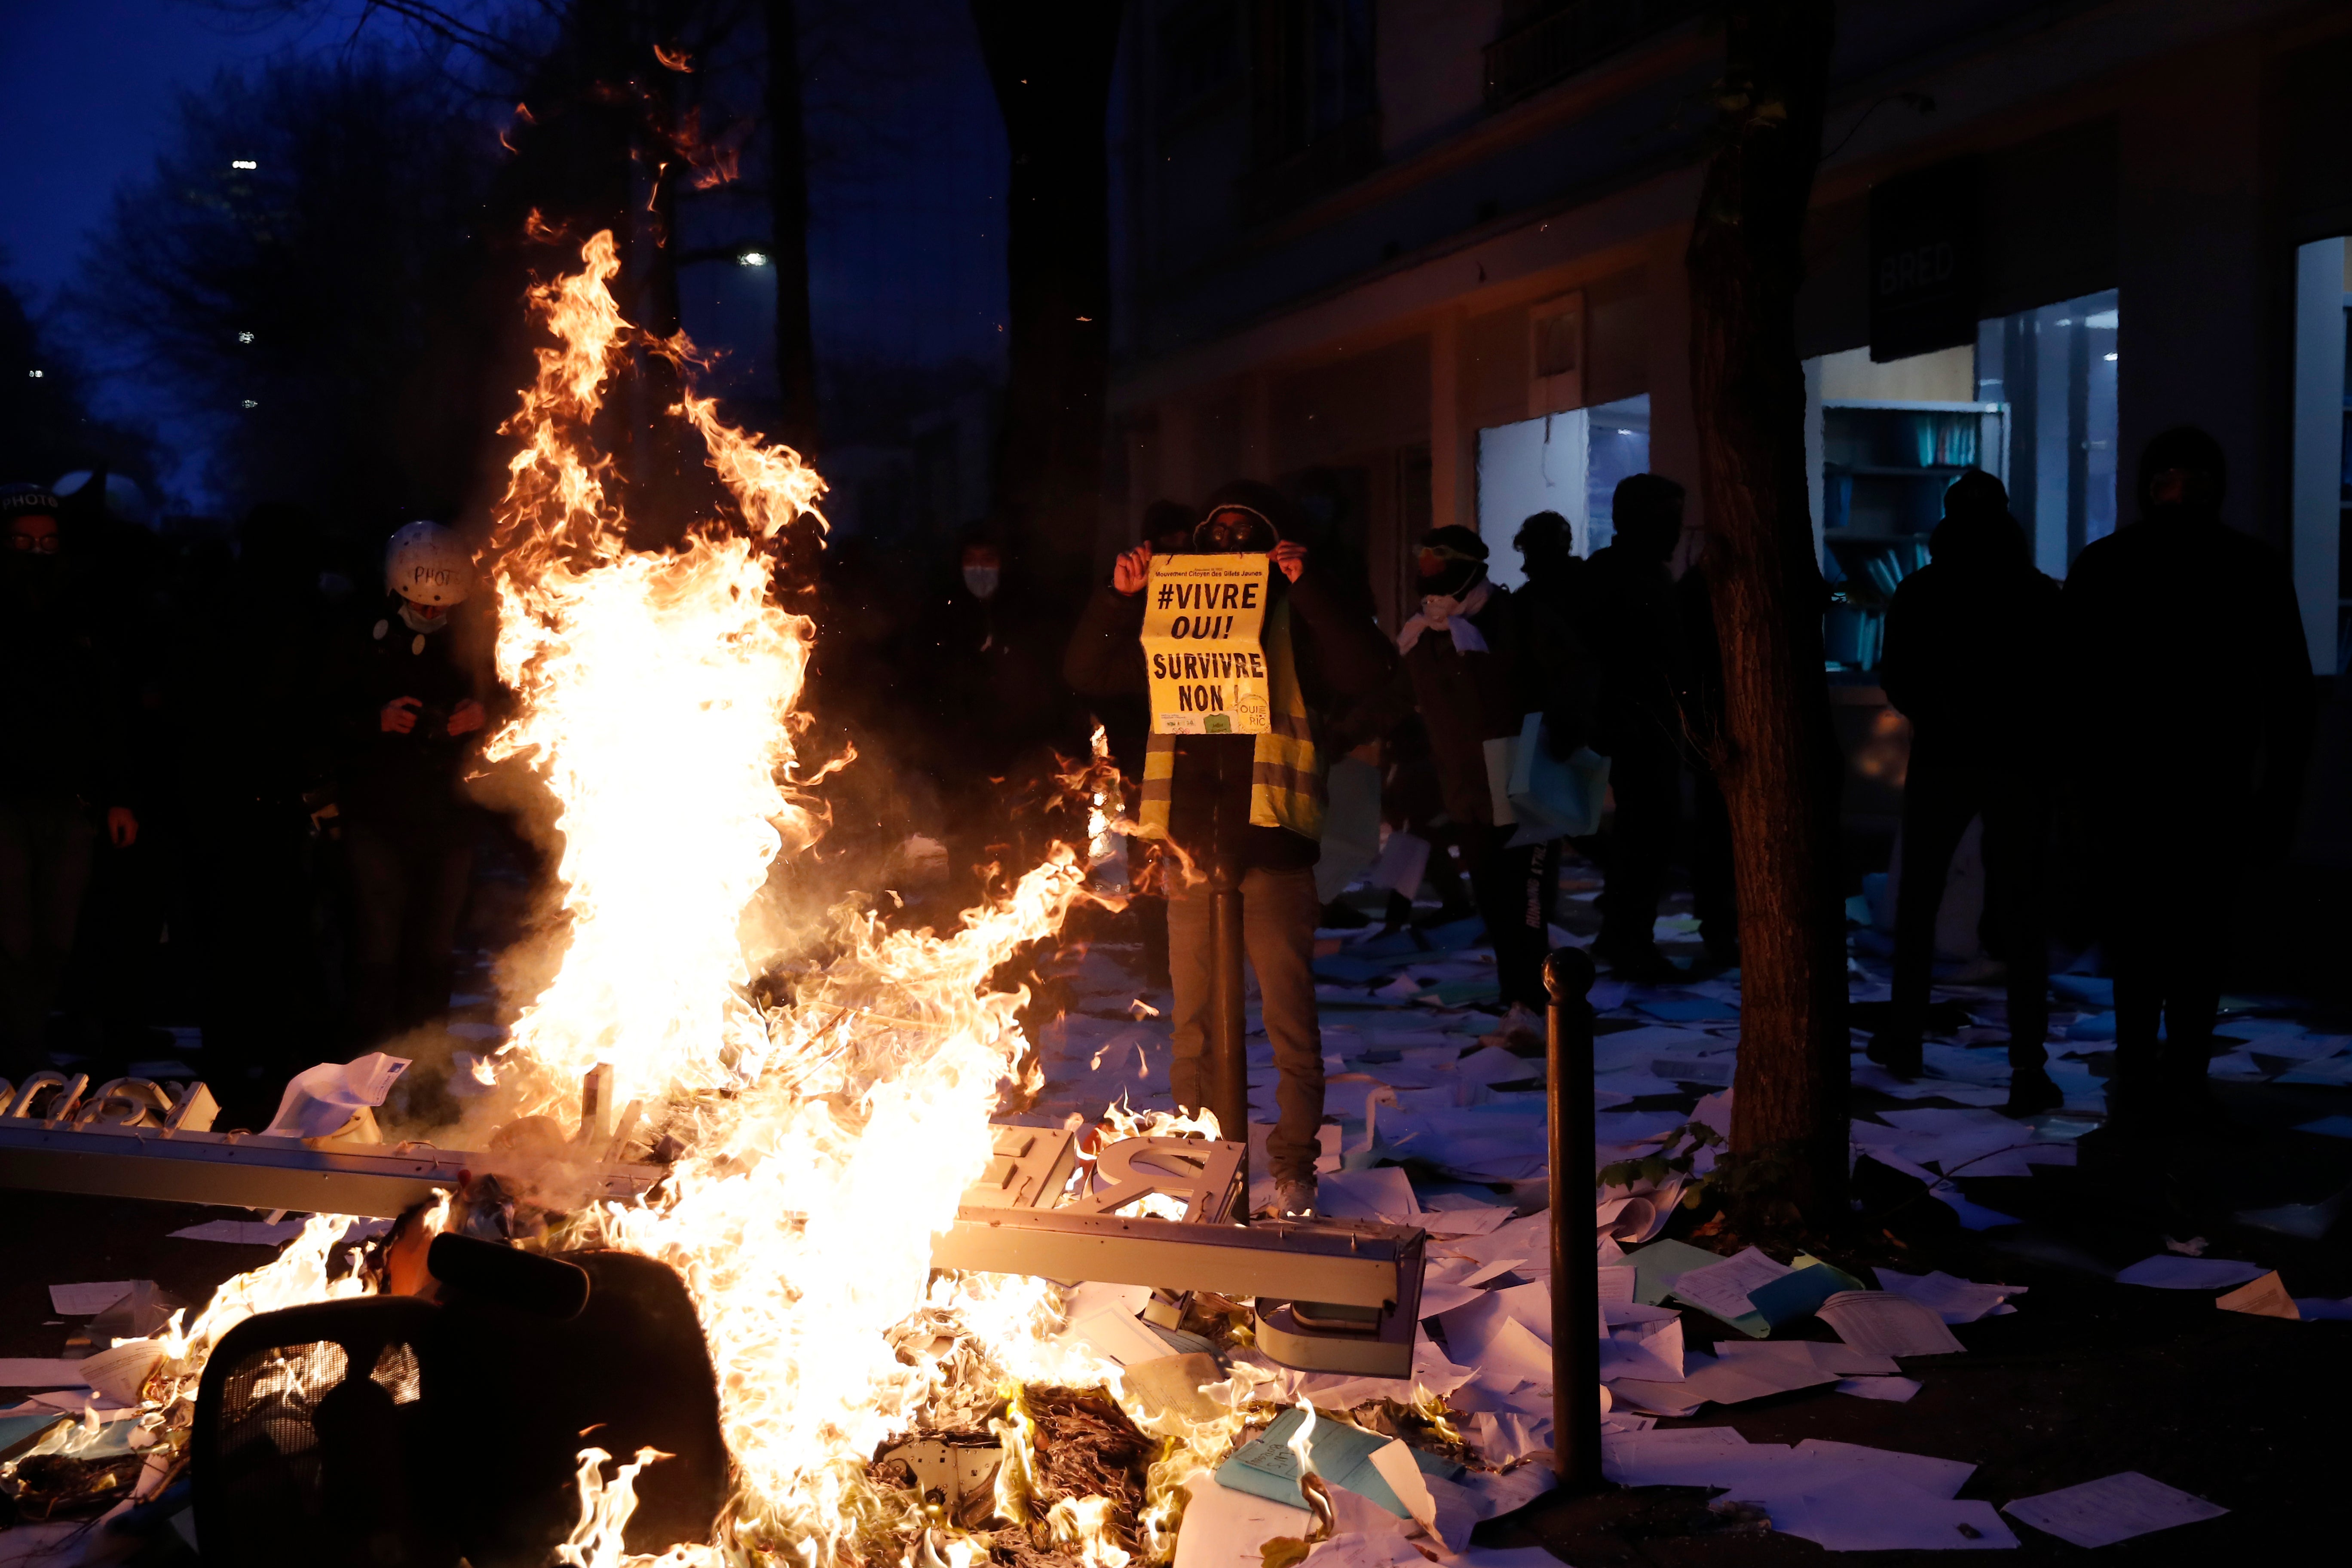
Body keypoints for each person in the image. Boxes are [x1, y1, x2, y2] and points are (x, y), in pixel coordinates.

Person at [1063, 482, 1397, 1216]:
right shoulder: (1168, 621)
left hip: (1273, 848)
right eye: (1217, 533)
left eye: (1247, 533)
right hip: (1190, 854)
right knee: (1197, 1028)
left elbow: (1367, 669)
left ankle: (1294, 1170)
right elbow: (1088, 672)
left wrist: (1309, 588)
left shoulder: (1296, 623)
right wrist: (1121, 598)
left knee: (1286, 1022)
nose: (1229, 544)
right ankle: (1206, 1166)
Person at [2064, 426, 2314, 1124]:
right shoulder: (2248, 566)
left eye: (2186, 479)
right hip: (2198, 782)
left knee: (2150, 940)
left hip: (2141, 786)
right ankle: (2175, 1074)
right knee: (2190, 940)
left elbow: (2070, 694)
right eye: (2173, 479)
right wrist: (2279, 794)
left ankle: (2147, 1072)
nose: (2179, 493)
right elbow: (2288, 693)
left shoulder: (2108, 566)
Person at [1872, 471, 2063, 1115]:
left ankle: (1904, 1038)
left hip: (1944, 760)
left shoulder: (1922, 591)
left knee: (1919, 902)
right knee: (2022, 912)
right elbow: (2062, 682)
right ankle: (2027, 1063)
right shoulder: (2036, 594)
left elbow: (1896, 674)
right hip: (2019, 763)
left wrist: (1941, 715)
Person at [334, 521, 490, 1047]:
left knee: (435, 950)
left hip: (450, 818)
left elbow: (521, 697)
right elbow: (316, 712)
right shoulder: (357, 633)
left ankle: (423, 1071)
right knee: (376, 948)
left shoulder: (478, 638)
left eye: (440, 607)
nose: (431, 615)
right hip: (378, 817)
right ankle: (367, 1064)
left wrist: (481, 714)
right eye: (421, 606)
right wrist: (373, 721)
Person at [0, 486, 139, 1078]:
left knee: (55, 934)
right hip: (5, 798)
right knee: (11, 932)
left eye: (48, 542)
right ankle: (20, 1047)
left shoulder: (84, 612)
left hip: (69, 798)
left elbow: (108, 710)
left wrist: (119, 795)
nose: (38, 552)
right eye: (25, 542)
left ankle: (27, 1043)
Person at [1396, 526, 1556, 1014]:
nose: (1426, 570)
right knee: (1492, 898)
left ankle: (1541, 997)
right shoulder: (1424, 632)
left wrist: (1551, 742)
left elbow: (1567, 681)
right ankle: (1516, 997)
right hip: (1466, 789)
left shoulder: (1511, 618)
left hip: (1522, 782)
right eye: (1421, 561)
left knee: (1528, 903)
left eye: (1437, 560)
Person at [1576, 474, 1696, 983]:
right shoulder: (1625, 576)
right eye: (1666, 519)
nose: (1674, 531)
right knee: (1647, 834)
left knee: (1645, 835)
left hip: (1645, 725)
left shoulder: (1631, 572)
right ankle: (1631, 941)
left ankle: (1623, 936)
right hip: (1637, 727)